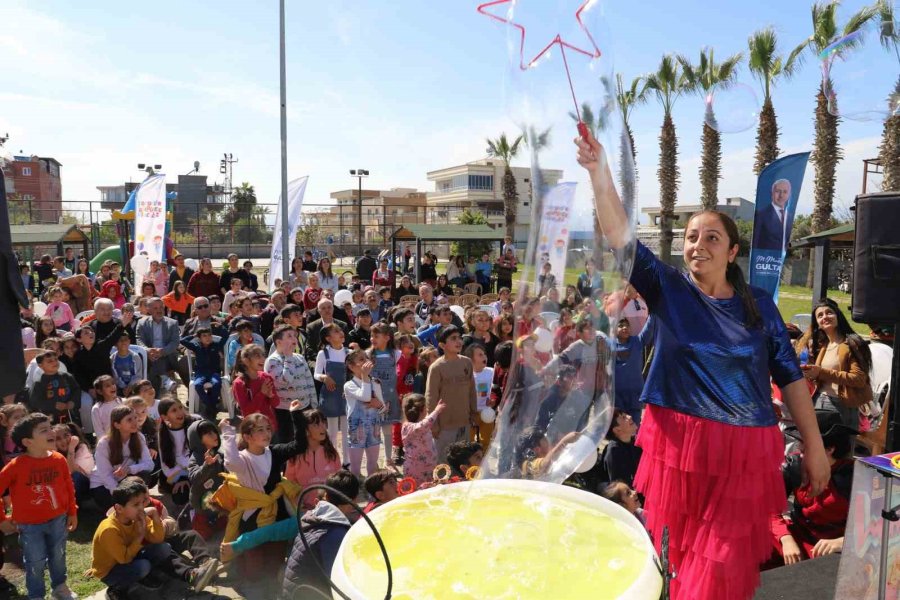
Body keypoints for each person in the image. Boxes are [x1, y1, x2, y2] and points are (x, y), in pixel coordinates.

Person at [576, 132, 829, 600]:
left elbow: (791, 378)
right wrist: (599, 174)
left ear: (733, 252)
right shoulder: (667, 287)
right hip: (678, 447)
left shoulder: (759, 307)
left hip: (743, 452)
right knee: (687, 560)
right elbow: (621, 237)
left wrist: (813, 447)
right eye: (692, 237)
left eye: (712, 238)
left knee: (721, 564)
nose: (698, 245)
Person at [0, 413, 78, 600]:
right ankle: (36, 595)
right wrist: (2, 519)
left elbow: (68, 486)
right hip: (29, 526)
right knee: (35, 562)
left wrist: (72, 512)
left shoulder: (59, 459)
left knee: (58, 556)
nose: (52, 432)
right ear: (27, 441)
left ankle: (60, 587)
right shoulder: (15, 466)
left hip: (58, 520)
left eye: (50, 427)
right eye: (44, 430)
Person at [770, 410, 857, 566]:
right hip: (798, 536)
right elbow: (769, 508)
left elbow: (875, 528)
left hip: (832, 547)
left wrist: (843, 542)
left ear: (830, 449)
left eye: (806, 449)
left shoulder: (854, 477)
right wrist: (786, 538)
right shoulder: (794, 465)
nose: (799, 452)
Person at [280, 470, 360, 598]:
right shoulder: (336, 534)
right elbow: (338, 584)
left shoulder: (313, 516)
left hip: (292, 592)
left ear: (326, 496)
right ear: (354, 500)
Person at [88, 477, 170, 599]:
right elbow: (124, 559)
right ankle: (116, 589)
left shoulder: (136, 516)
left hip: (130, 557)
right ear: (119, 508)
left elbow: (157, 539)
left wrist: (155, 516)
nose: (141, 508)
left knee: (164, 548)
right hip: (110, 570)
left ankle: (141, 577)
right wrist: (139, 536)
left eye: (142, 503)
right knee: (143, 566)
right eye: (136, 504)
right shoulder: (109, 529)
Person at [798, 298, 872, 430]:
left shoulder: (851, 344)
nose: (825, 317)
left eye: (829, 312)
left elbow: (859, 379)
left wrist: (821, 372)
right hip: (819, 401)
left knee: (839, 450)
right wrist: (811, 373)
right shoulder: (824, 346)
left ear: (838, 316)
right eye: (820, 315)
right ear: (818, 324)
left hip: (841, 407)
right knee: (821, 449)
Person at [425, 326, 478, 462]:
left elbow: (472, 390)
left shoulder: (466, 362)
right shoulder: (437, 367)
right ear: (442, 345)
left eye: (459, 337)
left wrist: (473, 412)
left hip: (464, 422)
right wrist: (434, 424)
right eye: (453, 338)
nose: (458, 341)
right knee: (445, 461)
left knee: (463, 458)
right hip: (444, 425)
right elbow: (431, 397)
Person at [89, 405, 154, 513]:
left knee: (144, 475)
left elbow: (149, 464)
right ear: (117, 425)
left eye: (135, 418)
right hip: (103, 485)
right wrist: (121, 495)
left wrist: (129, 469)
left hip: (125, 480)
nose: (134, 422)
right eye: (129, 419)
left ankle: (135, 503)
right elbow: (105, 476)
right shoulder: (104, 444)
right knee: (119, 512)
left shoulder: (139, 437)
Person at [284, 408, 343, 509]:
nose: (323, 427)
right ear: (305, 430)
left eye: (324, 423)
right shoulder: (295, 456)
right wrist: (300, 506)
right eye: (316, 424)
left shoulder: (331, 452)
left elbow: (339, 481)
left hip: (329, 507)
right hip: (303, 510)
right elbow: (289, 486)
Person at [265, 325, 317, 439]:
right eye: (289, 336)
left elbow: (309, 381)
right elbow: (285, 380)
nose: (294, 339)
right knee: (289, 442)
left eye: (295, 336)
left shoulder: (299, 357)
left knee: (307, 440)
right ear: (278, 342)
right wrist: (288, 358)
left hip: (305, 407)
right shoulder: (272, 361)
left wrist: (314, 404)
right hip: (285, 411)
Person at [343, 349, 386, 477]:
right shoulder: (349, 385)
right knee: (355, 468)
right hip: (357, 431)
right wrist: (365, 377)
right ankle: (355, 492)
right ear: (351, 366)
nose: (366, 362)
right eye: (361, 360)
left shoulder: (375, 383)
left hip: (374, 429)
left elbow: (383, 408)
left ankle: (371, 490)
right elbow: (366, 396)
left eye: (366, 358)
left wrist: (379, 405)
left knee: (373, 464)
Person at [136, 297, 186, 395]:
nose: (159, 310)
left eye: (161, 308)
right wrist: (147, 350)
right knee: (152, 361)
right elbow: (139, 339)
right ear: (149, 310)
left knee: (156, 364)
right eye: (155, 308)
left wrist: (162, 351)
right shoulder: (142, 323)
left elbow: (175, 342)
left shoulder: (172, 323)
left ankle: (157, 391)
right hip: (150, 355)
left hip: (167, 355)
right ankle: (164, 379)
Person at [315, 323, 350, 462]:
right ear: (328, 338)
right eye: (336, 331)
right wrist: (324, 377)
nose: (341, 332)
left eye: (340, 330)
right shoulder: (323, 354)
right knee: (333, 431)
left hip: (346, 394)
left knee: (347, 430)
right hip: (330, 395)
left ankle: (347, 461)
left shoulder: (349, 353)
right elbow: (316, 373)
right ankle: (333, 460)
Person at [613, 317, 654, 426]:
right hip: (617, 396)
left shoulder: (638, 341)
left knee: (634, 426)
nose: (625, 327)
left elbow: (650, 326)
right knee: (620, 427)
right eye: (621, 326)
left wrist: (655, 311)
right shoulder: (609, 346)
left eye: (627, 325)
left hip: (635, 394)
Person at [157, 398, 196, 507]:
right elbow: (165, 464)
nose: (180, 412)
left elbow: (198, 455)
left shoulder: (194, 425)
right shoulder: (163, 434)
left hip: (195, 470)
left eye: (180, 407)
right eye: (174, 410)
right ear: (165, 417)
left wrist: (187, 476)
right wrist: (181, 478)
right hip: (176, 473)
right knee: (180, 497)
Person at [180, 327, 226, 419]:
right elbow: (182, 341)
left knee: (217, 383)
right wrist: (193, 336)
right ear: (199, 338)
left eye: (209, 335)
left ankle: (210, 407)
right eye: (204, 336)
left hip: (214, 372)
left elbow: (225, 337)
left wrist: (220, 327)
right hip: (201, 372)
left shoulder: (216, 345)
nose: (207, 338)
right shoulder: (196, 346)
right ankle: (211, 406)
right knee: (197, 385)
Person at [232, 344, 280, 432]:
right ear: (246, 361)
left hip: (270, 426)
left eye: (263, 355)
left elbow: (276, 403)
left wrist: (271, 396)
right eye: (257, 356)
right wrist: (261, 393)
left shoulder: (266, 377)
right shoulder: (239, 383)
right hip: (254, 429)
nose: (263, 359)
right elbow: (247, 412)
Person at [401, 393, 446, 485]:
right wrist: (436, 411)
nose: (427, 410)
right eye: (426, 407)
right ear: (421, 410)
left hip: (428, 468)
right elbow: (424, 425)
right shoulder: (408, 427)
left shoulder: (421, 424)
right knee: (416, 492)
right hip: (416, 469)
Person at [28, 350, 81, 424]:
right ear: (40, 365)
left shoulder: (67, 376)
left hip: (70, 414)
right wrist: (53, 405)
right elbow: (35, 401)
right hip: (51, 418)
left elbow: (76, 390)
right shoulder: (39, 382)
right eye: (49, 361)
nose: (54, 362)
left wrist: (73, 402)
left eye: (56, 359)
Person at [599, 409, 642, 489]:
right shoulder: (614, 452)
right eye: (623, 417)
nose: (629, 417)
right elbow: (620, 488)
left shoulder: (636, 442)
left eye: (626, 414)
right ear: (617, 430)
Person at [752, 178, 794, 252]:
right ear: (772, 193)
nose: (781, 195)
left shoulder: (789, 217)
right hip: (765, 261)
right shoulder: (761, 215)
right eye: (778, 191)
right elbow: (755, 242)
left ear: (789, 195)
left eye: (785, 192)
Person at [111, 332, 143, 396]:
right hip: (119, 387)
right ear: (115, 343)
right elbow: (115, 376)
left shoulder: (135, 357)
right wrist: (123, 387)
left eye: (125, 339)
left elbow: (138, 375)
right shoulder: (112, 359)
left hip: (134, 386)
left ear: (129, 341)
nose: (123, 342)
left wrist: (130, 386)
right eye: (120, 340)